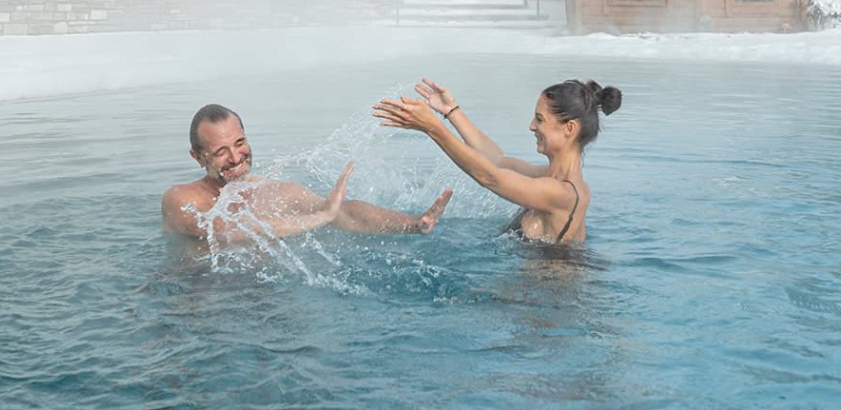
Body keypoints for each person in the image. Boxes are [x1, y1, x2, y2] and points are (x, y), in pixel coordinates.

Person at [372, 77, 621, 244]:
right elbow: (497, 161)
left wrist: (432, 128)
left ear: (569, 129)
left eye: (540, 119)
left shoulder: (564, 193)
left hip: (543, 312)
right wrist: (451, 112)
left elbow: (489, 177)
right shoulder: (549, 179)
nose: (531, 126)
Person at [162, 103, 453, 244]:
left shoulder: (275, 192)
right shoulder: (181, 199)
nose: (236, 157)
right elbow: (224, 232)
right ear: (198, 157)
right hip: (199, 297)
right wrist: (318, 219)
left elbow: (342, 213)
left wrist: (414, 224)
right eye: (221, 151)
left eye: (240, 143)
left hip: (258, 298)